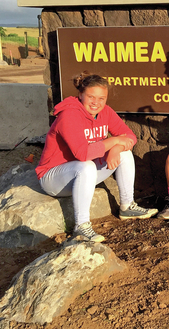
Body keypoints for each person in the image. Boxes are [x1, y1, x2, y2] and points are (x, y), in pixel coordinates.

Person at [36, 72, 158, 243]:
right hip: (54, 178)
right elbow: (83, 154)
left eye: (102, 98)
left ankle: (127, 205)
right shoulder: (69, 115)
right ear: (80, 95)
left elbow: (131, 136)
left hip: (82, 174)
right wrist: (115, 140)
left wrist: (116, 148)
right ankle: (81, 226)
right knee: (86, 166)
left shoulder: (105, 112)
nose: (96, 102)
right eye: (91, 97)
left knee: (124, 152)